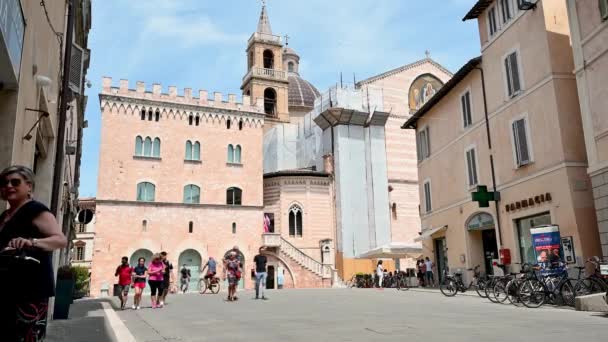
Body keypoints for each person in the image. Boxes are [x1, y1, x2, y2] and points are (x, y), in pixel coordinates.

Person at [0, 165, 67, 341]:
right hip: (7, 290)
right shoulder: (4, 216)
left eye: (15, 182)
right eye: (4, 183)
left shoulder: (36, 210)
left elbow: (60, 240)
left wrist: (32, 242)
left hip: (29, 291)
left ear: (29, 186)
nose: (8, 186)